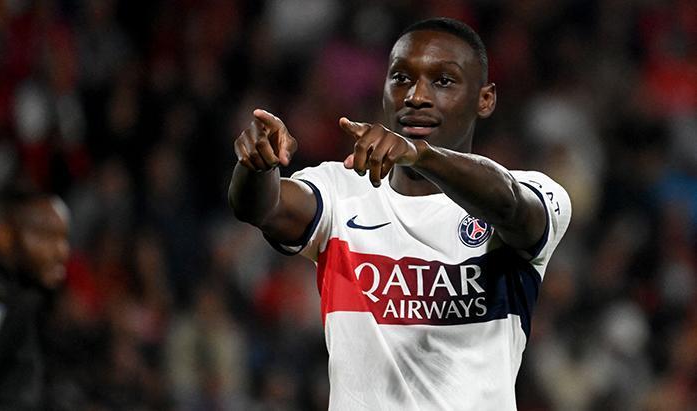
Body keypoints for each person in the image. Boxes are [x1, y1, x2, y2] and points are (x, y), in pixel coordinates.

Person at [229, 17, 571, 410]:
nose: (416, 96)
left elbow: (511, 205)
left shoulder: (534, 192)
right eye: (401, 78)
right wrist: (256, 167)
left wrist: (420, 155)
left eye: (443, 81)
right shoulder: (339, 191)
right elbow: (261, 207)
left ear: (485, 99)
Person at [0, 191, 70, 410]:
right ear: (4, 236)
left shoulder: (26, 301)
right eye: (46, 237)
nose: (61, 251)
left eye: (63, 238)